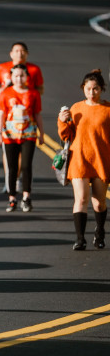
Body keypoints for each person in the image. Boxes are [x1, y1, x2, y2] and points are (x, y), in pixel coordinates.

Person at [58, 69, 110, 251]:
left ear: (101, 89)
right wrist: (62, 121)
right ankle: (80, 239)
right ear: (83, 88)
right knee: (81, 199)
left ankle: (100, 231)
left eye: (95, 89)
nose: (92, 92)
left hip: (101, 161)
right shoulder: (76, 108)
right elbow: (66, 135)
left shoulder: (108, 110)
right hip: (79, 159)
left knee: (99, 202)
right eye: (88, 89)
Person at [0, 64, 44, 213]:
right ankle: (12, 198)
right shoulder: (6, 93)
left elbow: (37, 114)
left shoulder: (33, 93)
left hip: (28, 134)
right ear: (11, 77)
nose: (19, 78)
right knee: (12, 168)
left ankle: (26, 198)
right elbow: (1, 114)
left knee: (26, 166)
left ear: (27, 77)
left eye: (22, 75)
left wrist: (41, 134)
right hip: (10, 135)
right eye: (15, 76)